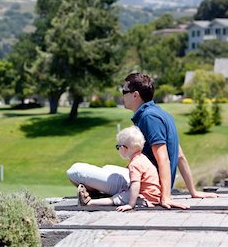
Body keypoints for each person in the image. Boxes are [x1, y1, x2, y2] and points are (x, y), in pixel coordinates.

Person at [67, 72, 218, 209]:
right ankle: (111, 196)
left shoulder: (149, 117)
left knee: (75, 171)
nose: (122, 96)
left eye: (124, 92)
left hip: (146, 185)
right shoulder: (161, 114)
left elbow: (163, 158)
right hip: (146, 180)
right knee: (107, 168)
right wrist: (193, 191)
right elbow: (180, 156)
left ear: (135, 95)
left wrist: (165, 198)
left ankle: (113, 197)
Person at [78, 126, 161, 212]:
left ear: (124, 148)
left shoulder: (135, 164)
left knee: (117, 198)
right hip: (153, 195)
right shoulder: (143, 158)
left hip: (145, 198)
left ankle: (89, 202)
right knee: (124, 192)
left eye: (118, 147)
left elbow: (135, 184)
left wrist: (130, 204)